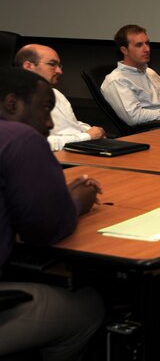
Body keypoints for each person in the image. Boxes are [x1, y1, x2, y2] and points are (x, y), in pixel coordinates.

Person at [0, 67, 104, 360]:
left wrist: (55, 194)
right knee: (89, 307)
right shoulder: (19, 136)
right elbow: (45, 229)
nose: (48, 123)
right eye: (45, 109)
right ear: (12, 104)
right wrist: (77, 203)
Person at [14, 44, 108, 151]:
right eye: (52, 64)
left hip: (77, 149)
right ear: (28, 66)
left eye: (59, 65)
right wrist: (86, 137)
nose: (59, 71)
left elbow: (70, 124)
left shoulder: (55, 93)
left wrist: (91, 131)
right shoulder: (16, 100)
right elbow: (37, 143)